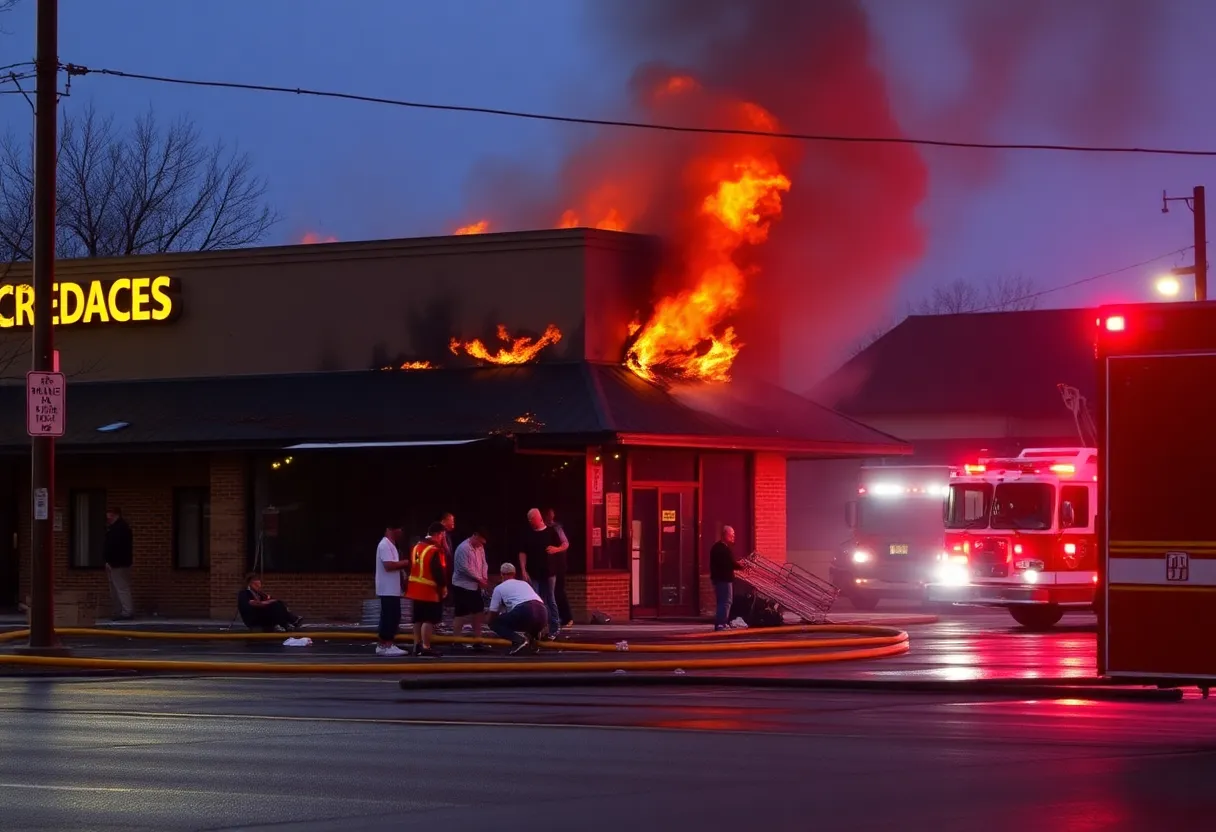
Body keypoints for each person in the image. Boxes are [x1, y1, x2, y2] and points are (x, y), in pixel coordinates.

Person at [405, 522, 449, 658]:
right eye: (443, 535)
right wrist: (443, 587)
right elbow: (438, 571)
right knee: (429, 619)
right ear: (438, 534)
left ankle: (416, 645)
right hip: (429, 590)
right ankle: (426, 646)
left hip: (415, 589)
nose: (443, 538)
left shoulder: (417, 547)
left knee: (418, 619)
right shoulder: (434, 550)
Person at [486, 562, 548, 655]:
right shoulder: (524, 584)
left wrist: (488, 621)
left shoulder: (499, 588)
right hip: (543, 612)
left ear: (501, 574)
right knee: (529, 617)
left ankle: (518, 640)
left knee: (494, 623)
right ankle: (534, 637)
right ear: (514, 574)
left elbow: (493, 612)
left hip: (525, 611)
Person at [518, 507, 562, 638]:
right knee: (536, 601)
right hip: (534, 572)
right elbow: (522, 552)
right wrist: (523, 569)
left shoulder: (551, 532)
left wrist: (556, 549)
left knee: (550, 598)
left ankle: (554, 627)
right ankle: (538, 628)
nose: (530, 522)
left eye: (531, 519)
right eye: (528, 520)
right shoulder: (528, 534)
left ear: (537, 518)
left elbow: (563, 545)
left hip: (549, 572)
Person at [375, 523, 411, 657]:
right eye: (399, 529)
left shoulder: (392, 545)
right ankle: (386, 645)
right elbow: (388, 565)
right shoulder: (384, 545)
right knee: (390, 616)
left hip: (393, 588)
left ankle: (384, 644)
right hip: (387, 588)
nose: (400, 532)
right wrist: (407, 562)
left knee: (392, 616)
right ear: (391, 529)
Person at [451, 528, 490, 649]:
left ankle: (478, 640)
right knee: (461, 613)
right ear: (475, 535)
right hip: (462, 585)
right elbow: (464, 568)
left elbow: (484, 563)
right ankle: (456, 641)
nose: (481, 544)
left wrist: (484, 576)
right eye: (480, 541)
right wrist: (479, 579)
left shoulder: (480, 548)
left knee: (478, 612)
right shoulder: (463, 548)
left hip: (474, 586)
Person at [710, 525, 745, 631]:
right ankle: (721, 623)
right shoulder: (722, 549)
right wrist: (740, 565)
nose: (733, 536)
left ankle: (722, 623)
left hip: (720, 579)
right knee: (726, 601)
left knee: (723, 601)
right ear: (725, 534)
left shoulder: (717, 547)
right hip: (724, 579)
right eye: (732, 534)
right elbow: (729, 563)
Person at [237, 574, 303, 631]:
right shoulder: (244, 593)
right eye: (256, 583)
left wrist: (271, 600)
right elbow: (254, 603)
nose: (259, 584)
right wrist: (268, 602)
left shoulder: (259, 594)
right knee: (274, 605)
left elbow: (270, 599)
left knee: (278, 603)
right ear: (250, 584)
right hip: (253, 618)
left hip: (261, 615)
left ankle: (290, 621)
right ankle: (287, 623)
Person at [543, 508, 573, 627]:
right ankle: (554, 618)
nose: (550, 516)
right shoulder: (543, 528)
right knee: (549, 593)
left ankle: (567, 618)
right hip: (548, 565)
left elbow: (565, 543)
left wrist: (556, 549)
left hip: (559, 564)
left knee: (558, 591)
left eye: (552, 514)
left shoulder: (556, 528)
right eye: (548, 514)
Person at [103, 507, 135, 621]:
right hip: (115, 563)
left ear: (116, 515)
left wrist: (110, 561)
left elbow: (117, 547)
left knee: (121, 587)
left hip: (118, 563)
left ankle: (127, 612)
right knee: (116, 588)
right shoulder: (116, 528)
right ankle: (120, 611)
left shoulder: (120, 529)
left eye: (110, 514)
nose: (108, 517)